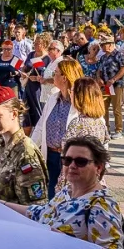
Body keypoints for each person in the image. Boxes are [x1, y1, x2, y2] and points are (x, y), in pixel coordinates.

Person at [4, 136, 123, 249]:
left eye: (81, 162)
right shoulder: (67, 191)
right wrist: (2, 205)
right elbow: (42, 213)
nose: (72, 166)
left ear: (98, 168)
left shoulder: (101, 206)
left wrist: (67, 242)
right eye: (67, 160)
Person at [32, 58, 83, 197]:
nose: (53, 76)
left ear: (65, 78)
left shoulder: (81, 102)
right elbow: (41, 126)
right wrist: (30, 148)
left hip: (70, 158)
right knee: (51, 194)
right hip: (51, 155)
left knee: (69, 195)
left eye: (56, 73)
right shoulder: (53, 98)